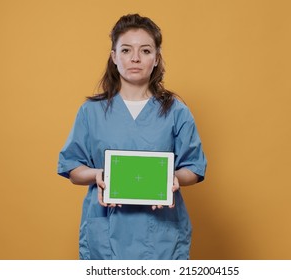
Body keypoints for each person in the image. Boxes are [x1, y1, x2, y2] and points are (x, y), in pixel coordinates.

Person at [57, 14, 207, 260]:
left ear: (156, 58)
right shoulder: (90, 112)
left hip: (161, 235)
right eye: (126, 50)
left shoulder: (176, 111)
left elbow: (194, 168)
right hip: (106, 232)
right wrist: (98, 175)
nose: (135, 58)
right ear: (114, 57)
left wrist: (172, 179)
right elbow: (71, 166)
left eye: (145, 50)